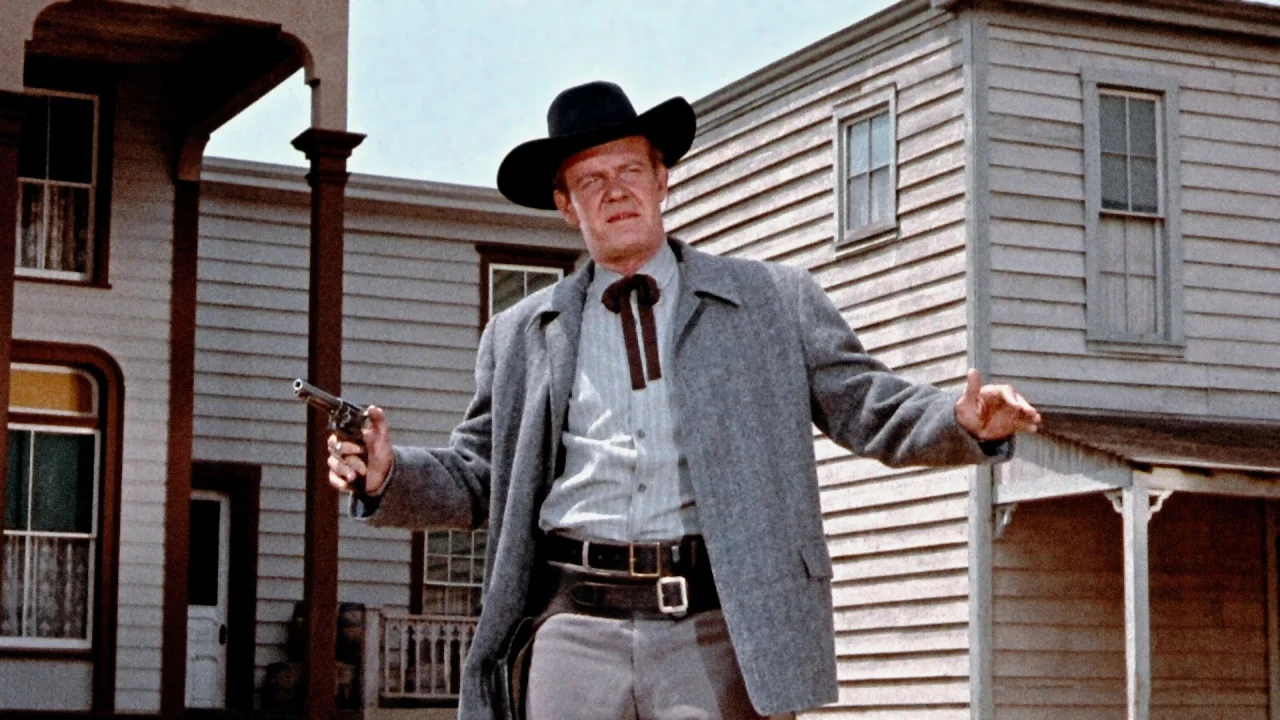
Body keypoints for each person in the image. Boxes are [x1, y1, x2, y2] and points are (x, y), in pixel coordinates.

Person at [327, 81, 1041, 720]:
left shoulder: (771, 302)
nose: (615, 191)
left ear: (662, 179)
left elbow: (867, 404)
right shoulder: (521, 335)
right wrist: (388, 473)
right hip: (572, 628)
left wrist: (959, 420)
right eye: (591, 180)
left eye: (630, 171)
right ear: (565, 205)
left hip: (718, 628)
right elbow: (480, 475)